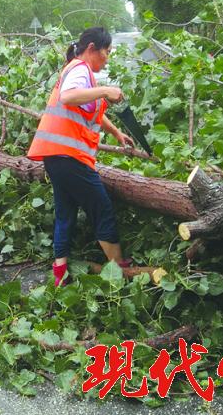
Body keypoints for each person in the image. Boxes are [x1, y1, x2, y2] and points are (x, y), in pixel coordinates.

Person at [27, 27, 135, 286]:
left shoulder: (80, 72)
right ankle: (118, 271)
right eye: (106, 52)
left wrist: (117, 132)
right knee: (102, 208)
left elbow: (88, 107)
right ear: (91, 49)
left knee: (66, 213)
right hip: (69, 157)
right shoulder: (79, 70)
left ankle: (60, 274)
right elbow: (68, 97)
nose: (107, 58)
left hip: (57, 157)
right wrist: (106, 90)